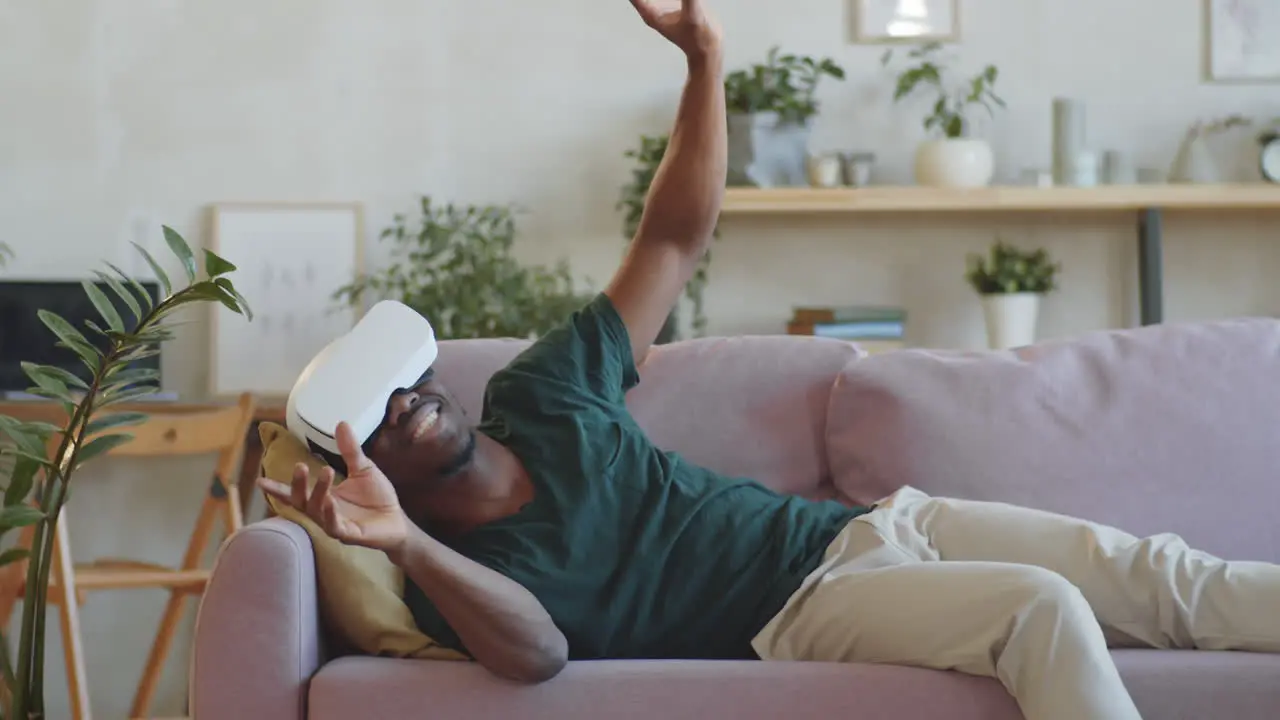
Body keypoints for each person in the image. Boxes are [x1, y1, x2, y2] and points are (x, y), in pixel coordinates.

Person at [258, 2, 1280, 719]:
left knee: (1152, 571)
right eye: (377, 413)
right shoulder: (462, 573)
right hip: (796, 611)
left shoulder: (544, 392)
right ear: (370, 471)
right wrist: (398, 547)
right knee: (1036, 608)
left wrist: (704, 59)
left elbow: (669, 242)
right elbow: (537, 654)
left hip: (878, 528)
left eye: (407, 382)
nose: (409, 402)